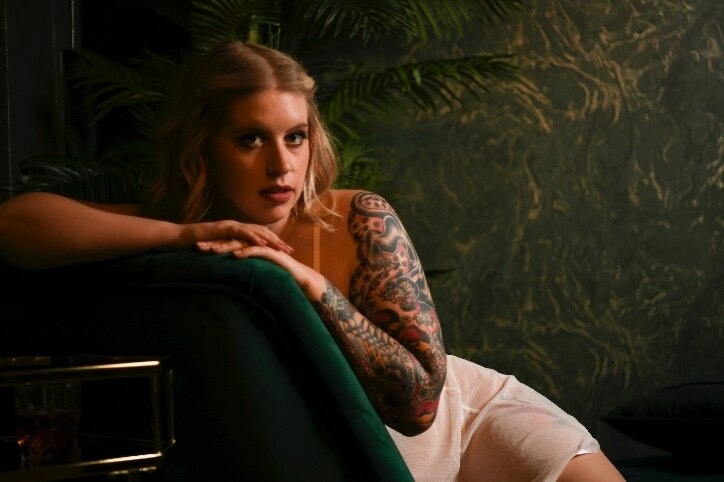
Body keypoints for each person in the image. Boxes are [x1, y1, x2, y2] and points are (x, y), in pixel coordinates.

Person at [0, 41, 624, 481]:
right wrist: (181, 232)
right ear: (201, 147)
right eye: (250, 139)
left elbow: (420, 405)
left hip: (468, 424)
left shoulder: (357, 217)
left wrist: (306, 282)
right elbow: (13, 224)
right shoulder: (175, 231)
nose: (281, 164)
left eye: (294, 137)